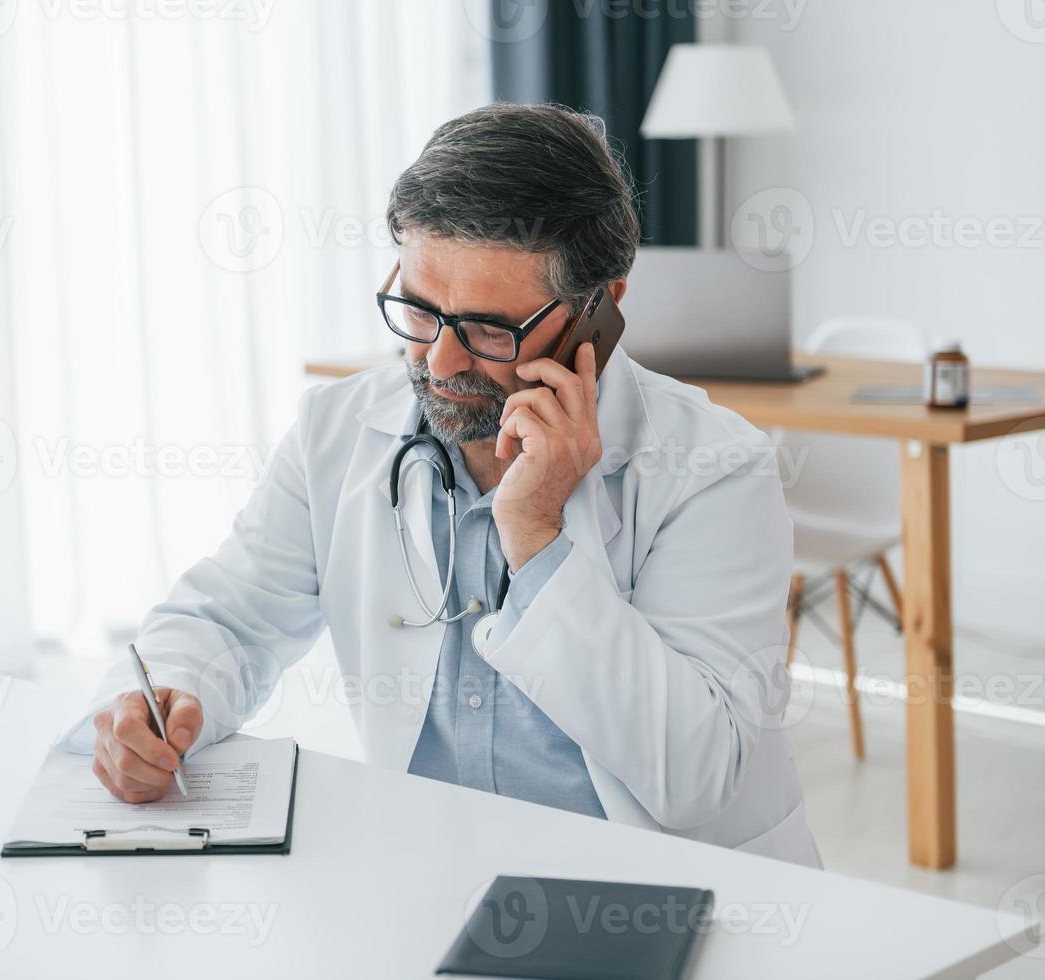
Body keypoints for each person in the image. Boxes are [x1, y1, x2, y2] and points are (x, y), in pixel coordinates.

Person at [67, 102, 820, 866]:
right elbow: (228, 619)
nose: (442, 362)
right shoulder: (338, 429)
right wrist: (160, 701)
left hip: (659, 889)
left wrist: (536, 534)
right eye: (421, 312)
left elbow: (692, 776)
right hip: (430, 872)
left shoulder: (714, 468)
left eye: (493, 329)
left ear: (603, 307)